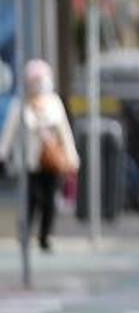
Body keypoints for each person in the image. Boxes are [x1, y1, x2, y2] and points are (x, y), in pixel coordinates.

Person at [0, 60, 79, 252]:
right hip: (30, 162)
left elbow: (64, 132)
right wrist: (2, 154)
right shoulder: (21, 104)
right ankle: (25, 233)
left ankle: (45, 236)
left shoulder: (54, 103)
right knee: (31, 199)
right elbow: (9, 132)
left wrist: (72, 157)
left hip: (51, 162)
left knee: (49, 200)